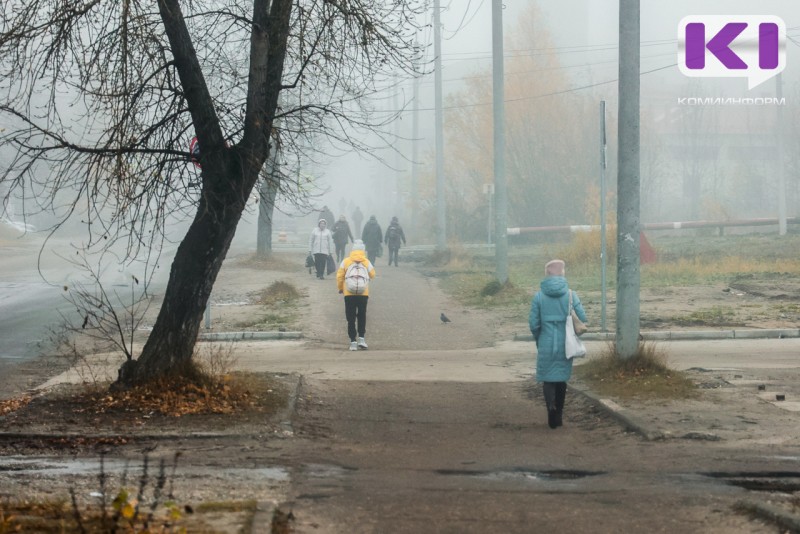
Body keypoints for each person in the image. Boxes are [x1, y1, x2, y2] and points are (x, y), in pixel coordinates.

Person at [528, 259, 588, 430]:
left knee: (548, 379)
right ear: (562, 273)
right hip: (566, 343)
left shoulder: (538, 296)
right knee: (561, 379)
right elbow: (582, 318)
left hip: (546, 341)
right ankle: (559, 413)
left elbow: (533, 323)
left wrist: (538, 337)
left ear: (546, 274)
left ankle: (551, 409)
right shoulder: (571, 295)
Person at [337, 240, 376, 351]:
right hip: (363, 293)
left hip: (349, 293)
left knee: (350, 317)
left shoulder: (346, 261)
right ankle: (362, 339)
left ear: (352, 250)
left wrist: (341, 288)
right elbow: (373, 275)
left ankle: (353, 341)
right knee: (362, 315)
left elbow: (339, 277)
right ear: (363, 250)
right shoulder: (366, 262)